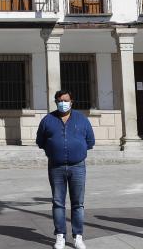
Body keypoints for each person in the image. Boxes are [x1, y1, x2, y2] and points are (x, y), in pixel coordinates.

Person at [36, 90, 95, 249]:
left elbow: (90, 141)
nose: (63, 103)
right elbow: (40, 141)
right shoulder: (48, 120)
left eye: (66, 100)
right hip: (56, 167)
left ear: (72, 101)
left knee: (78, 203)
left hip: (78, 167)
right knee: (58, 202)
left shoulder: (81, 119)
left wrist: (77, 150)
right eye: (60, 100)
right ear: (56, 102)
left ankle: (78, 236)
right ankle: (60, 235)